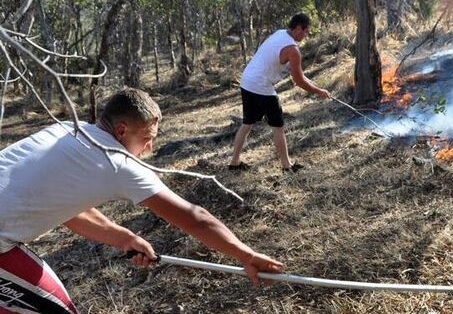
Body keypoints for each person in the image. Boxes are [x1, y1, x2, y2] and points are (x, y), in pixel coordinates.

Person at [0, 88, 282, 314]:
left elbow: (67, 209)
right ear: (122, 130)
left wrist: (124, 238)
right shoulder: (117, 163)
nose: (149, 148)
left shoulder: (65, 130)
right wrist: (247, 256)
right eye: (147, 138)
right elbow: (196, 218)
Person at [228, 13, 330, 172]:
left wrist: (318, 88)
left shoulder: (280, 34)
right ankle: (286, 166)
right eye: (306, 31)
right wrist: (318, 92)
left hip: (247, 80)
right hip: (261, 85)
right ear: (298, 29)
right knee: (278, 126)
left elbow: (300, 75)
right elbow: (298, 81)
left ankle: (234, 163)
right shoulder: (293, 50)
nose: (306, 35)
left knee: (247, 123)